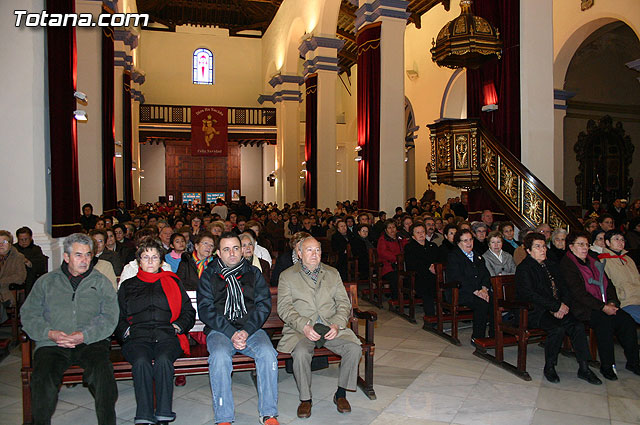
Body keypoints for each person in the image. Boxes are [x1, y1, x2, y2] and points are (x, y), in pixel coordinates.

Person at [20, 233, 118, 425]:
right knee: (43, 379)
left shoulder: (100, 282)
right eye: (78, 255)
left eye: (88, 255)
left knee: (103, 377)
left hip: (90, 342)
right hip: (53, 343)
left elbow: (110, 317)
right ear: (66, 257)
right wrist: (49, 333)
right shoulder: (47, 282)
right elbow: (29, 314)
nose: (85, 260)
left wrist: (84, 335)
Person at [197, 232, 279, 425]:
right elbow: (206, 310)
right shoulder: (209, 275)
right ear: (218, 253)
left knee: (268, 353)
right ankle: (224, 417)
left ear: (242, 250)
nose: (232, 253)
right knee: (219, 357)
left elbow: (263, 305)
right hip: (220, 331)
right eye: (226, 249)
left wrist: (246, 330)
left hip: (251, 330)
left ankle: (269, 413)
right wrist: (231, 332)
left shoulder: (254, 273)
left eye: (236, 248)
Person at [277, 236, 361, 418]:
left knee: (354, 349)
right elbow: (284, 308)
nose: (314, 254)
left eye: (318, 250)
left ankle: (340, 394)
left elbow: (343, 303)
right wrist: (304, 326)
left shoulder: (332, 273)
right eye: (309, 250)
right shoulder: (287, 276)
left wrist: (337, 324)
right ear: (299, 253)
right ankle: (305, 399)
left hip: (329, 326)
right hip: (302, 329)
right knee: (300, 353)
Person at [116, 240, 195, 425]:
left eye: (154, 257)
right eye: (146, 257)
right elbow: (117, 316)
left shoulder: (173, 282)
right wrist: (126, 332)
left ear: (161, 261)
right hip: (137, 337)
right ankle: (144, 415)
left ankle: (163, 413)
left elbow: (188, 312)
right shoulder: (128, 286)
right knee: (141, 361)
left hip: (166, 335)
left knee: (163, 360)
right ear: (139, 261)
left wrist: (177, 327)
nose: (150, 261)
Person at [515, 233, 601, 385]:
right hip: (536, 311)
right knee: (557, 329)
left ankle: (584, 367)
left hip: (558, 308)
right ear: (528, 250)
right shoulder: (524, 268)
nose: (543, 250)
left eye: (544, 246)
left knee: (577, 326)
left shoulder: (552, 265)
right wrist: (555, 307)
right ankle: (550, 366)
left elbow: (565, 288)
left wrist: (563, 305)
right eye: (537, 247)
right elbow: (529, 294)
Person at [560, 231, 640, 380]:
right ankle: (607, 366)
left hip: (602, 303)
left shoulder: (593, 260)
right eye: (580, 244)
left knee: (626, 321)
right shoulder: (567, 264)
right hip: (582, 307)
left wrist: (612, 302)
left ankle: (633, 362)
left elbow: (608, 283)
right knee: (605, 323)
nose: (585, 248)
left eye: (586, 244)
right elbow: (578, 293)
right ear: (571, 247)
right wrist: (603, 307)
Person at [445, 229, 494, 342]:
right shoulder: (453, 256)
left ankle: (494, 335)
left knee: (494, 300)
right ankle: (478, 337)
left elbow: (485, 274)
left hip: (479, 291)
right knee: (481, 303)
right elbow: (458, 278)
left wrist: (484, 289)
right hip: (461, 291)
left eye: (471, 239)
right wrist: (476, 291)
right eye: (465, 240)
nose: (469, 243)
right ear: (458, 243)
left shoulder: (477, 255)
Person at [598, 230, 640, 324]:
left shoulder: (628, 259)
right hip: (625, 302)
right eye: (616, 239)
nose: (620, 242)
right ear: (607, 242)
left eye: (622, 240)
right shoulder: (602, 260)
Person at [404, 222, 439, 316]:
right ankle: (430, 316)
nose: (421, 234)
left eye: (422, 232)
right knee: (427, 285)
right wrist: (428, 268)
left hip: (434, 274)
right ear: (413, 236)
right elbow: (412, 264)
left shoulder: (433, 246)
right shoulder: (409, 247)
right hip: (418, 276)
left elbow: (438, 259)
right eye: (418, 232)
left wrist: (434, 266)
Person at [377, 220, 407, 299]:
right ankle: (396, 298)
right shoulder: (382, 239)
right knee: (396, 277)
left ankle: (407, 296)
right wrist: (397, 259)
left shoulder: (400, 238)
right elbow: (383, 253)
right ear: (386, 230)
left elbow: (406, 249)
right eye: (389, 228)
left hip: (402, 265)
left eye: (393, 227)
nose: (392, 230)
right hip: (388, 267)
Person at [14, 226, 48, 294]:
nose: (24, 241)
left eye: (26, 239)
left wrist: (29, 262)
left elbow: (40, 263)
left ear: (30, 238)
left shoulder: (36, 249)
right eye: (21, 239)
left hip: (31, 275)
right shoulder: (14, 249)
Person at [0, 230, 27, 306]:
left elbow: (20, 277)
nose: (1, 245)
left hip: (7, 294)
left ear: (10, 244)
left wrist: (2, 281)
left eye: (4, 242)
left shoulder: (18, 257)